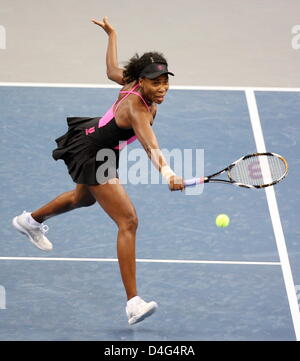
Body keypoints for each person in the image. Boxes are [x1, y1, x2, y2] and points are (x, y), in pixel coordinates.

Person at [12, 16, 185, 325]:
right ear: (142, 81)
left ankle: (29, 221)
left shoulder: (133, 84)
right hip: (94, 154)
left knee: (83, 199)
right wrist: (168, 173)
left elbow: (110, 71)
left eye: (165, 81)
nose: (162, 88)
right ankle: (133, 302)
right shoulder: (137, 108)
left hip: (96, 142)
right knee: (128, 220)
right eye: (155, 82)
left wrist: (112, 34)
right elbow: (149, 144)